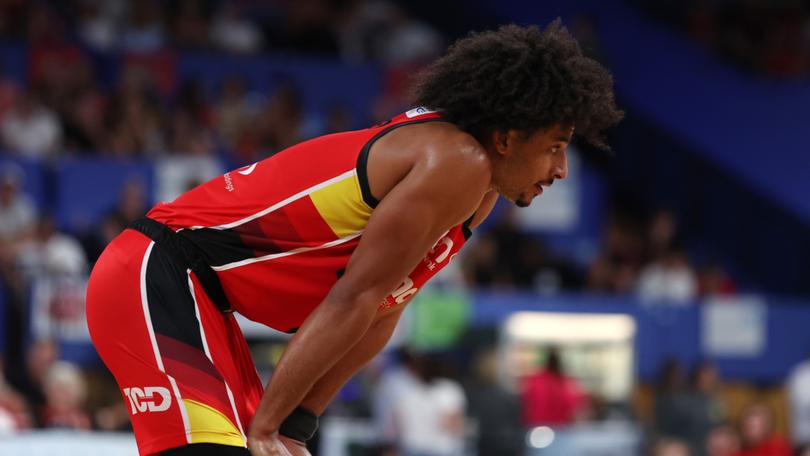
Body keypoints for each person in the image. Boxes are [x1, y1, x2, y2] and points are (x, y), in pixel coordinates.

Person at [85, 21, 622, 455]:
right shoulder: (455, 161)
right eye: (556, 145)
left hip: (205, 301)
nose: (562, 169)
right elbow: (354, 298)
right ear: (506, 138)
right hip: (158, 272)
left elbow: (382, 310)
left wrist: (295, 423)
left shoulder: (477, 191)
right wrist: (268, 427)